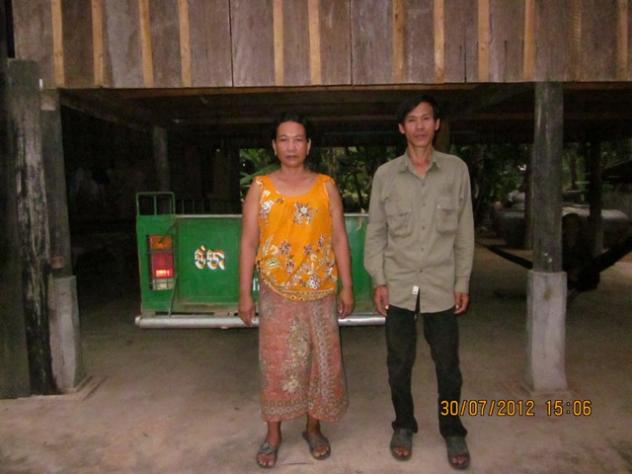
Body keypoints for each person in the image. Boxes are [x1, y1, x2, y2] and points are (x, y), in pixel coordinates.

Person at [364, 95, 474, 470]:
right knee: (399, 363)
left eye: (426, 118)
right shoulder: (386, 175)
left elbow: (464, 232)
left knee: (448, 365)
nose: (420, 126)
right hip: (399, 283)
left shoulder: (456, 170)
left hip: (441, 283)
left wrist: (462, 280)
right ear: (402, 128)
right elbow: (376, 233)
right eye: (412, 119)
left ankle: (452, 429)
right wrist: (379, 280)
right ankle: (403, 424)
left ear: (437, 124)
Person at [239, 113, 354, 469]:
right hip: (276, 292)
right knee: (275, 363)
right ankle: (273, 434)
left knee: (320, 362)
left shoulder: (326, 186)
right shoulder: (260, 187)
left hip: (320, 291)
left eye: (298, 139)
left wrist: (347, 286)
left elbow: (339, 238)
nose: (291, 146)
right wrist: (244, 293)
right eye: (284, 139)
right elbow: (248, 242)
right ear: (274, 146)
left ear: (309, 145)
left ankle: (313, 428)